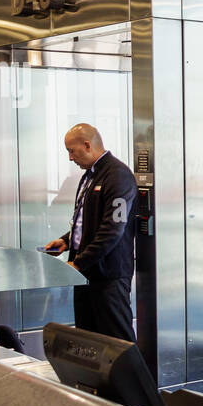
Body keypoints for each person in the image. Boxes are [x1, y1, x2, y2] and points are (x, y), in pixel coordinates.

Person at [44, 124, 137, 343]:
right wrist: (66, 241)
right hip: (86, 272)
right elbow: (87, 220)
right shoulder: (90, 176)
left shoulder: (118, 175)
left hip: (108, 276)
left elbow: (112, 230)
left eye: (72, 151)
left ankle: (129, 379)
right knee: (89, 339)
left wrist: (78, 262)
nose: (70, 158)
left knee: (117, 341)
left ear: (87, 145)